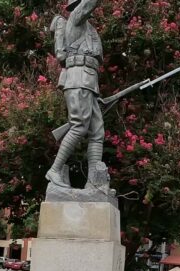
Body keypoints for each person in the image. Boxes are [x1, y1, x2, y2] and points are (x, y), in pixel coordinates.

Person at [46, 0, 105, 188]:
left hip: (88, 82)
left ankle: (94, 182)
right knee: (79, 125)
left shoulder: (88, 28)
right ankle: (55, 170)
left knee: (97, 132)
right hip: (79, 78)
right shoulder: (75, 19)